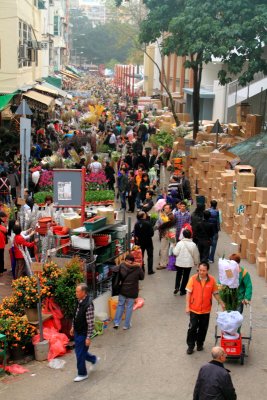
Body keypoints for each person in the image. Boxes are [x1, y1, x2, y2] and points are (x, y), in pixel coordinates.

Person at [185, 262, 225, 354]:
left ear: (207, 271)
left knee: (203, 328)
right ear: (198, 269)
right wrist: (187, 307)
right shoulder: (193, 279)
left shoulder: (211, 280)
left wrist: (221, 302)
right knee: (192, 327)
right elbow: (188, 293)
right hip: (194, 309)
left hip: (206, 310)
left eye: (204, 270)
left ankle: (200, 344)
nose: (201, 272)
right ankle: (190, 346)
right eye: (200, 270)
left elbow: (215, 293)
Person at [70, 283, 100, 382]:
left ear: (84, 292)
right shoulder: (79, 301)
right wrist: (73, 327)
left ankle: (82, 374)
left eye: (77, 291)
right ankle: (94, 359)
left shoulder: (88, 305)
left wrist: (88, 337)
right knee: (81, 352)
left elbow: (90, 323)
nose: (76, 293)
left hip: (83, 333)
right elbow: (75, 315)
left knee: (79, 354)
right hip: (78, 331)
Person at [113, 254, 144, 329]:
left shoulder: (122, 265)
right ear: (133, 261)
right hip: (132, 291)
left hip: (123, 289)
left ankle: (116, 323)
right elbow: (142, 277)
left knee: (120, 305)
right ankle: (126, 325)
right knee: (129, 307)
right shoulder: (137, 267)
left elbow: (114, 269)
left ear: (125, 260)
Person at [172, 229, 199, 296]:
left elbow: (175, 253)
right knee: (186, 276)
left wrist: (174, 247)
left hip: (179, 263)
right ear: (190, 235)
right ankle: (182, 290)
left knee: (179, 275)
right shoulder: (193, 245)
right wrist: (196, 262)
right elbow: (196, 255)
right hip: (188, 263)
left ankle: (177, 287)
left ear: (183, 235)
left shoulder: (179, 243)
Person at [157, 203, 175, 270]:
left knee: (163, 249)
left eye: (167, 208)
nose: (165, 209)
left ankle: (163, 264)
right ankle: (165, 261)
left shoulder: (170, 216)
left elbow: (164, 225)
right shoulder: (166, 215)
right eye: (165, 208)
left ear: (170, 209)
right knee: (166, 248)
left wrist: (159, 226)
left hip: (166, 234)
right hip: (167, 233)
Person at [0, 212, 7, 276]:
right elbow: (6, 231)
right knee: (1, 258)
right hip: (1, 245)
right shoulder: (3, 228)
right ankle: (1, 271)